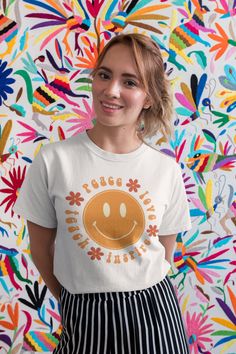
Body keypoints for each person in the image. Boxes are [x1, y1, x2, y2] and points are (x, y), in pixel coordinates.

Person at [13, 33, 192, 354]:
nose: (111, 91)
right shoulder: (53, 160)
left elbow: (165, 253)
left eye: (130, 82)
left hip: (156, 312)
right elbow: (41, 250)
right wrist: (76, 298)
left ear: (149, 97)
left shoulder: (165, 170)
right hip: (82, 312)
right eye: (104, 75)